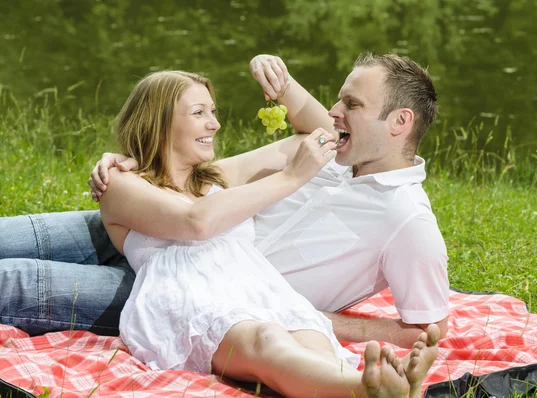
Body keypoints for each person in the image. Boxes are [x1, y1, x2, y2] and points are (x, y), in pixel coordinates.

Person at [0, 52, 448, 348]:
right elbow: (302, 127)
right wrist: (141, 164)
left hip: (190, 293)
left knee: (14, 281)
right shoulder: (337, 150)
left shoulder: (407, 221)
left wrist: (313, 319)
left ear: (399, 122)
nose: (334, 112)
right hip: (162, 216)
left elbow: (428, 330)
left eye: (350, 103)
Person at [95, 68, 439, 398]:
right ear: (157, 121)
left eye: (212, 111)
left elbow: (322, 136)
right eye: (199, 112)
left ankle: (368, 383)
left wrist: (285, 87)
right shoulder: (123, 182)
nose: (215, 123)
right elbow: (195, 223)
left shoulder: (214, 179)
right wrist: (292, 176)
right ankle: (364, 389)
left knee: (311, 338)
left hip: (261, 290)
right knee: (266, 339)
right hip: (191, 296)